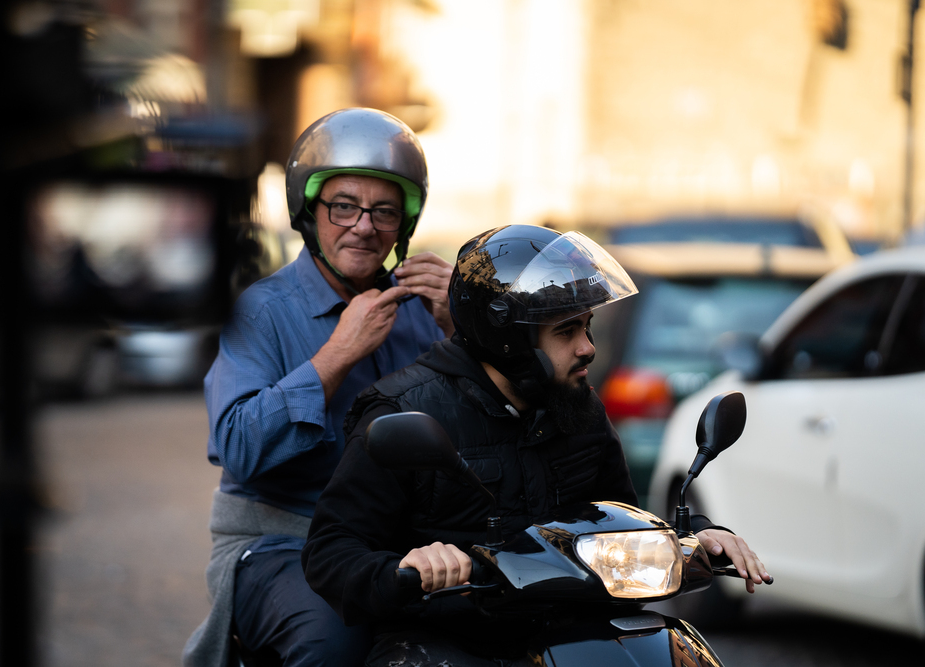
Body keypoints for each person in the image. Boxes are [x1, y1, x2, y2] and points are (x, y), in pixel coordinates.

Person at [301, 224, 773, 666]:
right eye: (565, 332)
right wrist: (407, 567)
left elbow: (621, 523)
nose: (587, 347)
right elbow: (331, 552)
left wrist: (700, 538)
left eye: (585, 326)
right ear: (507, 339)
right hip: (450, 640)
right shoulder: (406, 412)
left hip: (573, 635)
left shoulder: (576, 406)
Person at [183, 108, 455, 667]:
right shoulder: (261, 310)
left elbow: (483, 427)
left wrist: (465, 329)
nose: (364, 225)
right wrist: (336, 354)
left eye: (384, 210)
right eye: (344, 206)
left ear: (403, 225)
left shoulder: (424, 311)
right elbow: (236, 446)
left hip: (401, 545)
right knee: (332, 638)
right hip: (281, 543)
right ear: (309, 212)